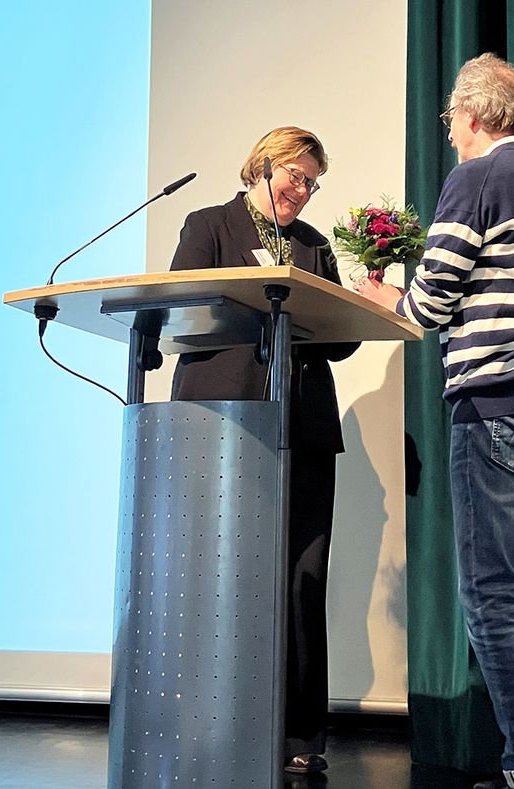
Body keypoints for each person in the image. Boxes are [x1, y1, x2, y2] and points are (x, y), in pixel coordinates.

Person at [355, 54, 514, 789]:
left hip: (498, 406)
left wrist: (385, 298)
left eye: (453, 118)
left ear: (478, 114)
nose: (450, 132)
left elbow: (429, 305)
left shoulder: (477, 178)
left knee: (490, 594)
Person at [170, 126, 359, 775]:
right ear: (262, 165)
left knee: (302, 578)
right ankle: (211, 722)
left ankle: (299, 733)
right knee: (222, 573)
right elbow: (185, 310)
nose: (301, 191)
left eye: (312, 183)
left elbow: (340, 342)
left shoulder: (314, 245)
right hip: (226, 420)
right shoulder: (209, 225)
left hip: (302, 426)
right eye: (295, 175)